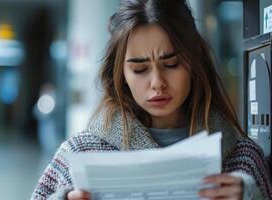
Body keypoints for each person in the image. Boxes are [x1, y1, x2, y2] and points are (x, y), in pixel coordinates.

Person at [30, 0, 272, 199]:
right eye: (139, 69)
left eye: (171, 64)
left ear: (194, 63)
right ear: (120, 74)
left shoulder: (242, 160)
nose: (157, 82)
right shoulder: (79, 156)